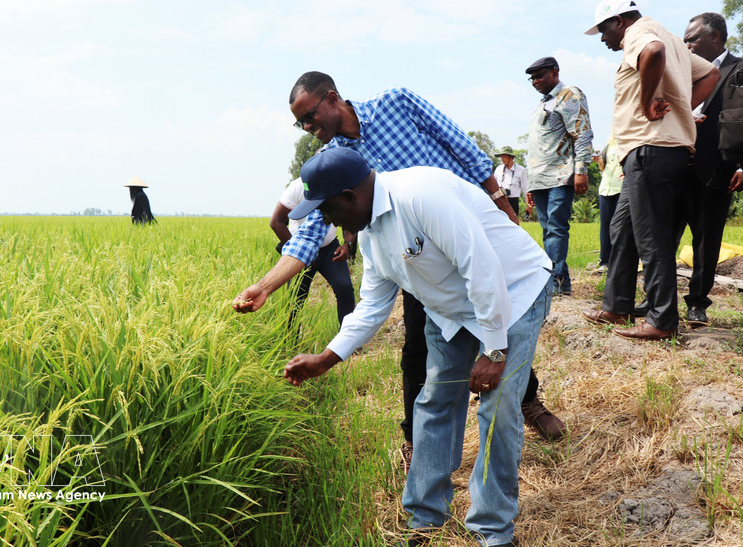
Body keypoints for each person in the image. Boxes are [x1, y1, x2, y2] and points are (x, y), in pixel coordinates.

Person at [233, 72, 565, 461]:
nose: (308, 128)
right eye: (300, 123)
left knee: (500, 328)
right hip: (410, 255)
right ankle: (418, 440)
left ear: (332, 97)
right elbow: (310, 235)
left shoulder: (397, 102)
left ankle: (525, 399)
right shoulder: (335, 163)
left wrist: (502, 206)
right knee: (419, 350)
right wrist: (266, 286)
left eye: (310, 116)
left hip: (462, 232)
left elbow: (463, 148)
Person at [283, 147, 552, 547]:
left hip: (513, 293)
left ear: (350, 196)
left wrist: (494, 350)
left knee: (497, 407)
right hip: (452, 311)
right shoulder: (372, 232)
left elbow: (482, 267)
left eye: (326, 208)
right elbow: (374, 305)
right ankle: (424, 519)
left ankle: (493, 531)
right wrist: (327, 357)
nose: (325, 219)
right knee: (435, 399)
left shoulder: (420, 195)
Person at [582, 0, 720, 341]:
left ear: (619, 21)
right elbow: (710, 73)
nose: (602, 40)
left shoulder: (642, 33)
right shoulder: (671, 36)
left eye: (603, 30)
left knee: (651, 235)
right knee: (623, 229)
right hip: (648, 150)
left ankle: (662, 320)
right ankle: (618, 305)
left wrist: (646, 103)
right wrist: (683, 109)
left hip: (651, 146)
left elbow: (653, 51)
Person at [673, 12, 743, 327]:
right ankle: (655, 300)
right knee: (663, 235)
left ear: (714, 37)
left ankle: (697, 303)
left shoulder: (739, 69)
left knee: (707, 238)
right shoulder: (680, 71)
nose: (685, 45)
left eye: (691, 39)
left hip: (717, 166)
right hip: (674, 163)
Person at [524, 56, 594, 297]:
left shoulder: (569, 95)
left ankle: (555, 282)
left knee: (556, 228)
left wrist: (581, 170)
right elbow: (537, 146)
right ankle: (560, 282)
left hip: (561, 175)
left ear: (555, 72)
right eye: (532, 78)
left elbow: (582, 134)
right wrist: (529, 184)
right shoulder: (542, 104)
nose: (535, 81)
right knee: (546, 229)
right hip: (540, 178)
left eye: (539, 76)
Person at [270, 177, 356, 330]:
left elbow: (348, 215)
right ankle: (290, 341)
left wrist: (346, 244)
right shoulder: (297, 187)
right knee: (295, 296)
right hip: (300, 247)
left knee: (345, 288)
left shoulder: (338, 183)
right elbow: (276, 222)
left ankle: (350, 339)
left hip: (330, 248)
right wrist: (297, 250)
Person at [595, 133, 624, 272]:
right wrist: (598, 161)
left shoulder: (629, 142)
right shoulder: (609, 145)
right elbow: (603, 167)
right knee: (605, 227)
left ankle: (618, 262)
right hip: (605, 188)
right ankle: (604, 261)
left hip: (621, 187)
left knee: (618, 226)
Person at [493, 146, 529, 217]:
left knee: (513, 223)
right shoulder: (498, 169)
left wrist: (528, 204)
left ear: (511, 157)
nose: (502, 159)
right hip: (500, 199)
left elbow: (525, 187)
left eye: (504, 157)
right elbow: (494, 185)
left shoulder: (521, 170)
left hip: (513, 201)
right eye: (501, 157)